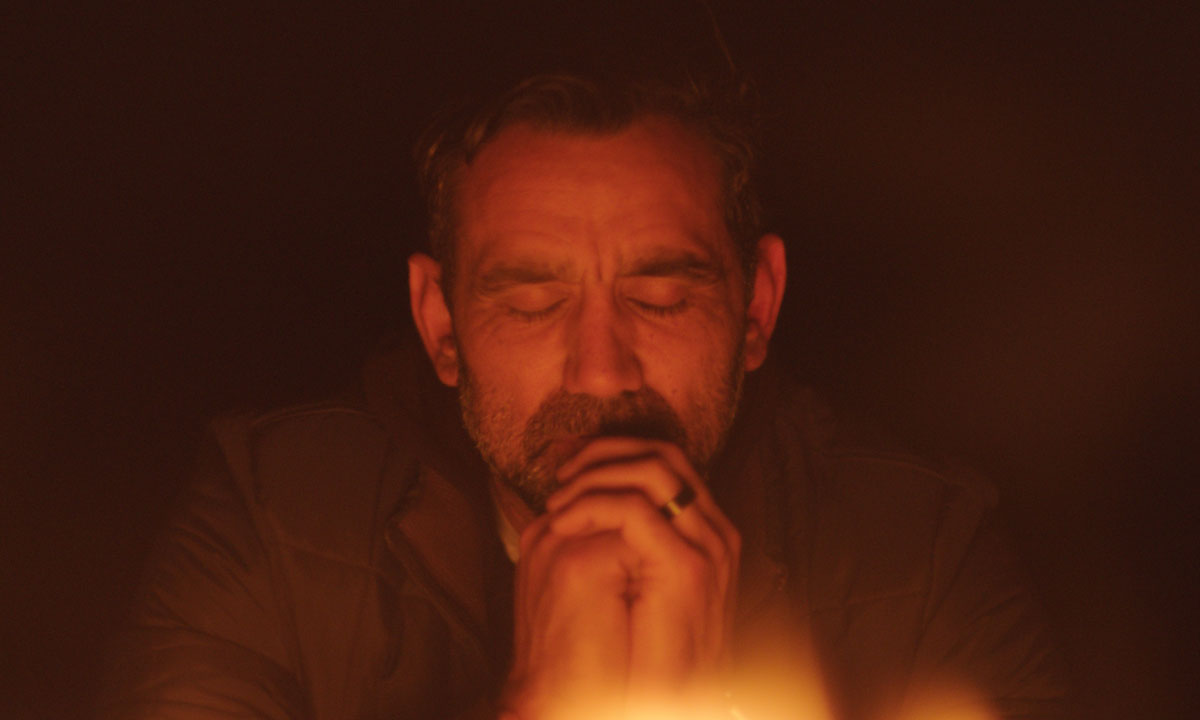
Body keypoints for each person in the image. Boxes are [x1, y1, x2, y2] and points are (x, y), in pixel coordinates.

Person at [98, 21, 1068, 720]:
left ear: (758, 307)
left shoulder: (928, 547)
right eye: (530, 302)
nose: (602, 373)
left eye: (662, 296)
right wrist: (540, 705)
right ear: (440, 325)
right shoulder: (270, 516)